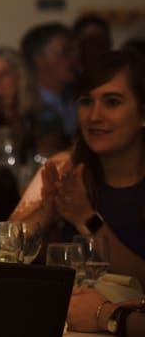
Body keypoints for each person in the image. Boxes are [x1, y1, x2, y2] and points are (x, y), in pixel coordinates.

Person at [10, 49, 145, 282]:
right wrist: (45, 214)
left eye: (112, 102)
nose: (94, 116)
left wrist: (86, 218)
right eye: (86, 102)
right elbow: (4, 252)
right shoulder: (64, 167)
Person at [21, 21, 78, 147]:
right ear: (39, 59)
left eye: (74, 52)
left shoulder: (75, 100)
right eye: (65, 52)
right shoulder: (26, 105)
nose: (74, 59)